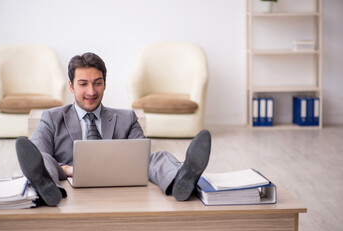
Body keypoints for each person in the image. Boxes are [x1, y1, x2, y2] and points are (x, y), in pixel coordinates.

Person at [15, 52, 211, 207]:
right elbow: (38, 154)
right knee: (44, 160)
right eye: (83, 84)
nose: (91, 92)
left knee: (155, 158)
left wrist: (68, 169)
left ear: (105, 84)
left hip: (116, 180)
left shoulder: (126, 118)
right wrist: (64, 170)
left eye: (97, 83)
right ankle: (46, 186)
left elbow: (141, 160)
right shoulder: (52, 117)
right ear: (71, 87)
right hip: (70, 187)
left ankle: (182, 178)